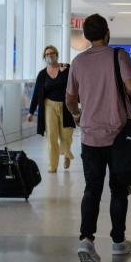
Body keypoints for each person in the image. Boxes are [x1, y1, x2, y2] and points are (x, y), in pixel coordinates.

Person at [66, 14, 131, 262]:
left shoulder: (77, 62)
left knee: (92, 189)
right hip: (119, 136)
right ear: (107, 32)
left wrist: (78, 116)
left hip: (90, 136)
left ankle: (86, 240)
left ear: (86, 35)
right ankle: (118, 241)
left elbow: (70, 98)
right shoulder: (118, 55)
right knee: (118, 189)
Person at [28, 45, 75, 173]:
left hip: (66, 106)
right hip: (49, 106)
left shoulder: (65, 69)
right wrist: (31, 111)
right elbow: (37, 93)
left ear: (57, 55)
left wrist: (68, 69)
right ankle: (52, 165)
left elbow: (76, 81)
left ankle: (66, 154)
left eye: (52, 53)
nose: (50, 56)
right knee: (52, 137)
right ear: (44, 57)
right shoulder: (42, 74)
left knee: (66, 136)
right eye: (47, 54)